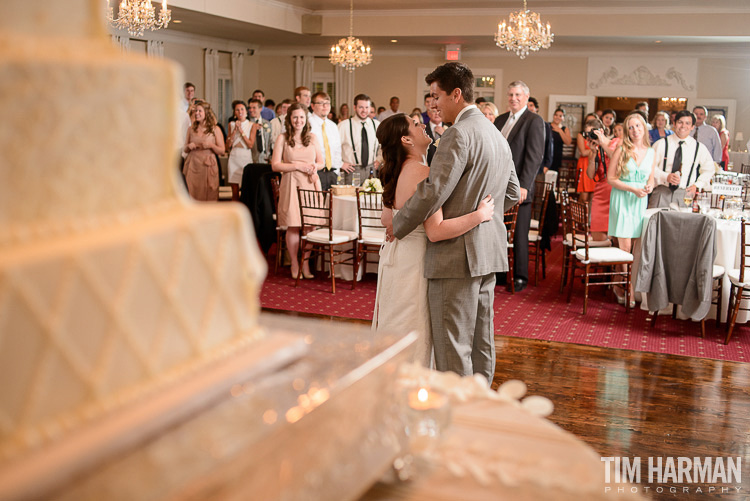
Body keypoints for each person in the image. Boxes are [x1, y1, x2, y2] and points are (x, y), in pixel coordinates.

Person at [385, 62, 520, 382]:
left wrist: (399, 222)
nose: (433, 104)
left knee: (453, 344)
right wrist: (481, 212)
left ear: (456, 95)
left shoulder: (457, 133)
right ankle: (480, 401)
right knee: (481, 340)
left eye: (436, 96)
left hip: (455, 255)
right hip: (489, 251)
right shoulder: (496, 133)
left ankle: (457, 415)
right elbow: (512, 192)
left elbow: (433, 191)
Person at [373, 114, 495, 367]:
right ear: (406, 139)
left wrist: (399, 228)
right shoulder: (423, 173)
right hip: (415, 262)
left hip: (394, 258)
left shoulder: (396, 171)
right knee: (412, 326)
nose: (423, 125)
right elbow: (436, 231)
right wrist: (479, 215)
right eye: (416, 124)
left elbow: (387, 221)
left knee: (394, 322)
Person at [494, 80, 545, 292]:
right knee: (498, 231)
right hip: (497, 186)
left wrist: (524, 185)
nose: (513, 98)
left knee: (518, 234)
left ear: (526, 96)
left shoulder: (534, 121)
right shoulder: (500, 119)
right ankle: (501, 272)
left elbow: (534, 156)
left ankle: (521, 275)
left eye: (517, 95)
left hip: (520, 188)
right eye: (510, 95)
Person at [607, 113, 656, 306]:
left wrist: (649, 187)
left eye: (638, 126)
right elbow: (611, 178)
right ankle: (629, 288)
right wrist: (632, 189)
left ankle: (618, 282)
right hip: (622, 198)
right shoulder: (621, 149)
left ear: (644, 128)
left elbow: (650, 178)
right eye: (631, 127)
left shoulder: (651, 152)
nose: (635, 130)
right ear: (627, 131)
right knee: (625, 249)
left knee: (634, 250)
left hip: (639, 202)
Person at [271, 103, 323, 279]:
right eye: (295, 117)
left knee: (310, 226)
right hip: (291, 183)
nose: (298, 120)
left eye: (301, 117)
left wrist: (314, 166)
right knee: (293, 225)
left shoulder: (313, 138)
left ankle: (305, 263)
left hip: (309, 184)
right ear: (289, 119)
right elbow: (275, 165)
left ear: (305, 119)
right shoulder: (283, 138)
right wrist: (297, 165)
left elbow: (322, 162)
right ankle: (294, 262)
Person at [649, 110, 716, 208]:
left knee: (682, 223)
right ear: (674, 124)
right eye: (680, 122)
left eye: (687, 123)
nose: (683, 126)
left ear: (692, 126)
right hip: (661, 192)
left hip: (685, 194)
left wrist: (697, 185)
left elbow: (709, 169)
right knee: (654, 221)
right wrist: (665, 176)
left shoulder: (699, 147)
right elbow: (649, 167)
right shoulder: (661, 144)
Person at [183, 100, 225, 201]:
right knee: (191, 193)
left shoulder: (215, 129)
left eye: (200, 111)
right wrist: (189, 146)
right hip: (193, 165)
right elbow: (185, 149)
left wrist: (211, 145)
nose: (197, 113)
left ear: (206, 113)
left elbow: (222, 151)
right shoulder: (190, 129)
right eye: (196, 111)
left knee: (209, 193)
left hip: (208, 165)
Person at [587, 118, 621, 241]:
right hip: (600, 195)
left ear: (601, 131)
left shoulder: (617, 142)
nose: (591, 137)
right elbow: (591, 175)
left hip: (616, 192)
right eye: (588, 134)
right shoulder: (595, 149)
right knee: (598, 238)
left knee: (617, 240)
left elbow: (616, 160)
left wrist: (602, 143)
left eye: (593, 133)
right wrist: (593, 153)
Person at [339, 93, 381, 184]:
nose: (364, 110)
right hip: (352, 170)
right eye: (361, 107)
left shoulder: (376, 125)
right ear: (354, 108)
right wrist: (340, 163)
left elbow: (383, 146)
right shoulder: (344, 125)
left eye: (367, 107)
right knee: (350, 198)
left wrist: (379, 159)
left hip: (371, 169)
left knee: (370, 197)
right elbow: (333, 148)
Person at [308, 91, 342, 190]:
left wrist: (336, 172)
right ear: (313, 106)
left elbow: (337, 150)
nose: (325, 106)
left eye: (327, 103)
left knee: (332, 204)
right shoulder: (308, 124)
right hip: (315, 172)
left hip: (332, 173)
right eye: (321, 103)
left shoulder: (333, 126)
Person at [226, 100, 260, 199]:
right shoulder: (231, 124)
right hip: (234, 156)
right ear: (234, 113)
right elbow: (227, 145)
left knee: (246, 188)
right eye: (237, 110)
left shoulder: (251, 125)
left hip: (245, 156)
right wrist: (235, 130)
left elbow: (250, 144)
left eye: (242, 109)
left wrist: (241, 131)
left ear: (246, 111)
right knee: (234, 191)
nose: (240, 111)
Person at [575, 118, 599, 203]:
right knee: (584, 196)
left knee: (594, 197)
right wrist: (593, 150)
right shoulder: (581, 135)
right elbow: (583, 152)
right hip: (585, 164)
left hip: (596, 166)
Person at [527, 97, 553, 173]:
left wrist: (547, 165)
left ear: (536, 108)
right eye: (527, 106)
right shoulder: (521, 125)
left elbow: (549, 145)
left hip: (540, 167)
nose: (529, 108)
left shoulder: (545, 125)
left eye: (531, 105)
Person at [247, 98, 271, 163]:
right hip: (252, 156)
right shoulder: (247, 123)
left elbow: (269, 139)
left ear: (260, 109)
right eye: (250, 108)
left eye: (254, 108)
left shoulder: (267, 123)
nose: (251, 110)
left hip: (265, 157)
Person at [549, 108, 572, 172]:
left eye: (560, 116)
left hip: (557, 156)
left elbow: (568, 143)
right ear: (553, 116)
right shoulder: (547, 126)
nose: (557, 117)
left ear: (563, 118)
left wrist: (560, 131)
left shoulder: (565, 129)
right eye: (556, 115)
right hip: (547, 154)